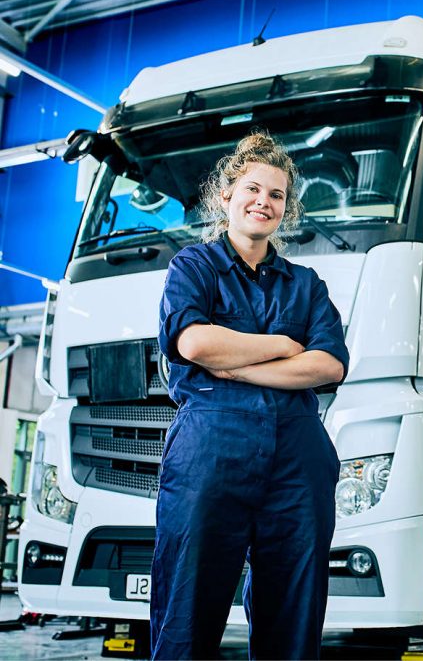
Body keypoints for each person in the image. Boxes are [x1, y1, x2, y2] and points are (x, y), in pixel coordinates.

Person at [151, 131, 348, 659]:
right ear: (226, 196)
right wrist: (281, 347)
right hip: (211, 451)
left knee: (294, 608)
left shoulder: (305, 285)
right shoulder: (194, 267)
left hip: (297, 461)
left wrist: (239, 368)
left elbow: (328, 364)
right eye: (252, 189)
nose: (264, 201)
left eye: (277, 195)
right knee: (188, 603)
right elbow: (194, 341)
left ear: (286, 209)